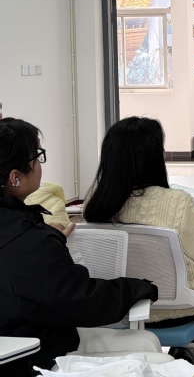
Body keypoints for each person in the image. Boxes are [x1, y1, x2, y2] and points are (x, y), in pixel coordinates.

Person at [82, 116, 194, 366]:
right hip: (181, 308)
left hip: (121, 308)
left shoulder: (94, 202)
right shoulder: (176, 202)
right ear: (153, 156)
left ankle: (189, 357)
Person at [0, 118, 157, 377]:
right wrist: (139, 287)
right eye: (37, 157)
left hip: (17, 342)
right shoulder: (29, 242)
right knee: (148, 346)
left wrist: (47, 239)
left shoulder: (27, 236)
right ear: (15, 177)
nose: (40, 165)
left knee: (147, 342)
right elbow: (83, 301)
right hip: (35, 358)